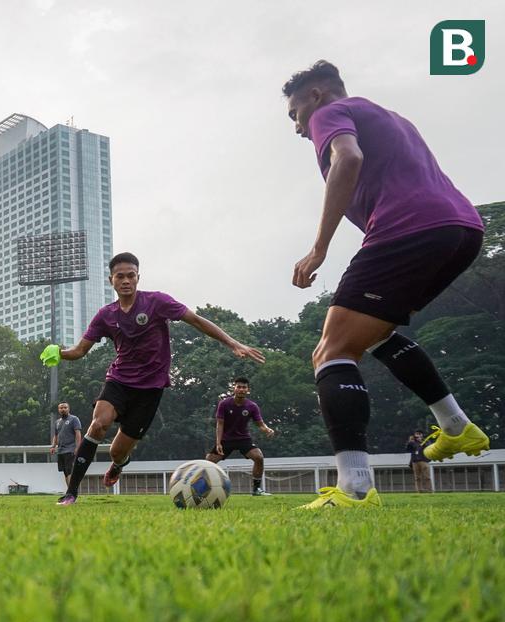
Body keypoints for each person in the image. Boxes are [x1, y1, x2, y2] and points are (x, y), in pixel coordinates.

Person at [283, 61, 488, 509]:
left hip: (408, 230)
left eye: (295, 114)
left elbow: (348, 159)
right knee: (376, 334)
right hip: (463, 231)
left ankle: (355, 489)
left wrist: (318, 248)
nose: (299, 128)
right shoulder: (391, 116)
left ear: (316, 96)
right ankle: (455, 426)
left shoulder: (327, 114)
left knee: (332, 351)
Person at [49, 253, 265, 506]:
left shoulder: (157, 302)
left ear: (138, 277)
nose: (126, 280)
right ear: (111, 280)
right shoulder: (106, 315)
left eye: (131, 275)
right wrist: (59, 353)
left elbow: (196, 320)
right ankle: (72, 492)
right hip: (118, 380)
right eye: (120, 276)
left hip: (150, 389)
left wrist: (233, 342)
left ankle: (119, 464)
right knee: (98, 424)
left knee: (118, 451)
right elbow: (80, 351)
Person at [205, 377, 277, 496]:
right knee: (208, 462)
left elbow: (260, 424)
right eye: (239, 387)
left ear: (248, 390)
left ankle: (256, 489)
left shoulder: (252, 406)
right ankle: (205, 488)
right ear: (234, 388)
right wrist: (218, 443)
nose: (241, 389)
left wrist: (267, 429)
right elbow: (220, 424)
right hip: (225, 440)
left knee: (258, 457)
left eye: (244, 387)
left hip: (243, 439)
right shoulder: (224, 404)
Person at [50, 402, 82, 488]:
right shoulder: (57, 422)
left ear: (68, 409)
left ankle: (72, 492)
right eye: (61, 408)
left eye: (65, 407)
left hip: (70, 449)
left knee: (69, 471)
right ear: (58, 410)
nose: (63, 409)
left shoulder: (74, 419)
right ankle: (69, 492)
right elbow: (56, 436)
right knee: (65, 472)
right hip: (61, 451)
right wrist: (53, 446)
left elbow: (78, 434)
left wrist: (77, 447)